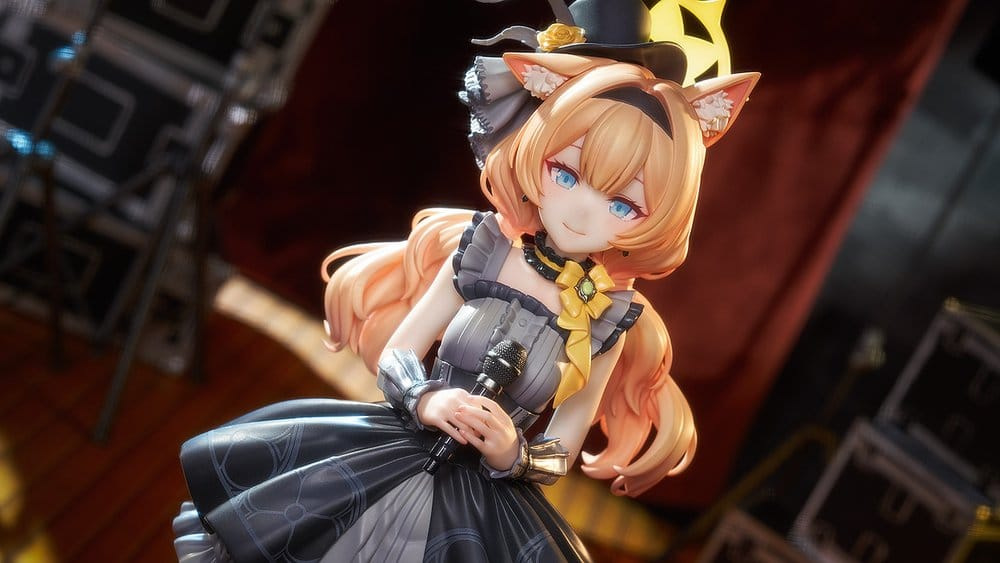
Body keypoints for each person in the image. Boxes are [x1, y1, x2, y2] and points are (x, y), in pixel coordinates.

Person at [173, 1, 758, 561]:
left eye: (623, 205)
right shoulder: (487, 248)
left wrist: (512, 453)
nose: (582, 212)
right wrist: (428, 398)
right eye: (566, 173)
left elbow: (562, 449)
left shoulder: (607, 315)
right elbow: (399, 352)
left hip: (480, 504)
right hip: (398, 444)